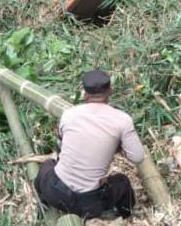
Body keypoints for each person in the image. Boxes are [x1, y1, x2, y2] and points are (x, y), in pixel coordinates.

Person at [35, 70, 144, 220]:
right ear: (110, 90)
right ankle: (124, 216)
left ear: (85, 94)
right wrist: (117, 147)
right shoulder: (122, 120)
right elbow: (138, 157)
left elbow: (63, 139)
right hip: (89, 205)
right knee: (122, 182)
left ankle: (43, 200)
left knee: (48, 164)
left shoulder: (69, 114)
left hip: (55, 193)